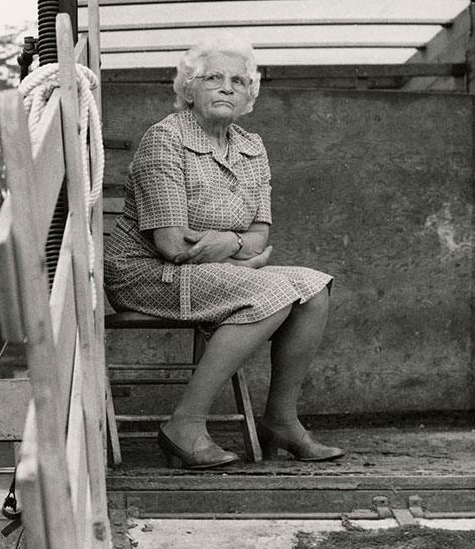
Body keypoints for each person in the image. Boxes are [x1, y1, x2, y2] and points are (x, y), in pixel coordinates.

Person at [104, 34, 344, 470]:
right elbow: (173, 245)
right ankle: (185, 424)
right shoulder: (164, 140)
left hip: (212, 269)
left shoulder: (252, 147)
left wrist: (229, 244)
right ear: (189, 89)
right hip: (144, 274)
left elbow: (258, 234)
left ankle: (281, 421)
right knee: (270, 291)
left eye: (238, 80)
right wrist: (242, 253)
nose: (227, 87)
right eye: (213, 77)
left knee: (313, 287)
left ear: (249, 94)